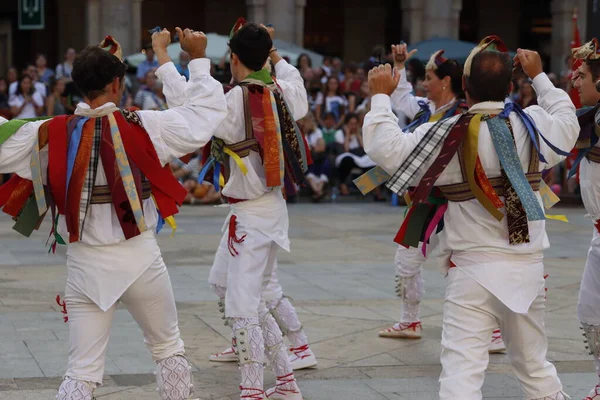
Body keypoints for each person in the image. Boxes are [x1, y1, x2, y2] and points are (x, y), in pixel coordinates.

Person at [0, 29, 227, 400]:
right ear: (118, 85)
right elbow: (202, 119)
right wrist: (197, 60)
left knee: (81, 372)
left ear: (76, 86)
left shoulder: (47, 134)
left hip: (85, 266)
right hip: (140, 259)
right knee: (168, 349)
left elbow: (2, 140)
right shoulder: (147, 125)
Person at [363, 36, 577, 400]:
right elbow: (567, 123)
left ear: (463, 86)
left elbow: (385, 149)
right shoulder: (533, 125)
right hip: (526, 267)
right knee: (536, 369)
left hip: (471, 271)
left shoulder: (443, 134)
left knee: (461, 374)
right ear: (511, 87)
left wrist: (380, 96)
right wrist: (540, 77)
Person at [203, 19, 308, 399]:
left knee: (243, 305)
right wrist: (271, 51)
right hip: (261, 210)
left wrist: (179, 61)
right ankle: (286, 381)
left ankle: (253, 388)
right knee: (223, 282)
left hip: (252, 214)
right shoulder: (282, 90)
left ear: (232, 58)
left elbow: (197, 111)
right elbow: (295, 81)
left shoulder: (234, 99)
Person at [569, 38, 600, 400]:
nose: (576, 82)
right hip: (598, 235)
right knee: (590, 310)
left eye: (582, 75)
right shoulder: (588, 119)